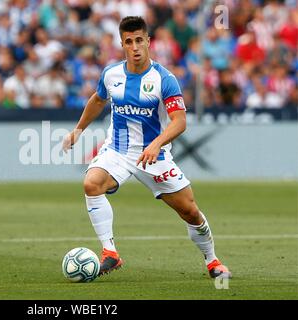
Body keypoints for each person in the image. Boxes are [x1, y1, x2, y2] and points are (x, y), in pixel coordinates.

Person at [62, 16, 231, 279]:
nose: (135, 47)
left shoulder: (165, 79)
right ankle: (110, 252)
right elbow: (97, 100)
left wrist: (156, 144)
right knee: (91, 184)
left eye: (139, 40)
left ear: (148, 41)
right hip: (117, 151)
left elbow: (180, 121)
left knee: (189, 211)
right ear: (122, 45)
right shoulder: (111, 74)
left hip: (155, 156)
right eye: (128, 42)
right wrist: (78, 130)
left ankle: (212, 260)